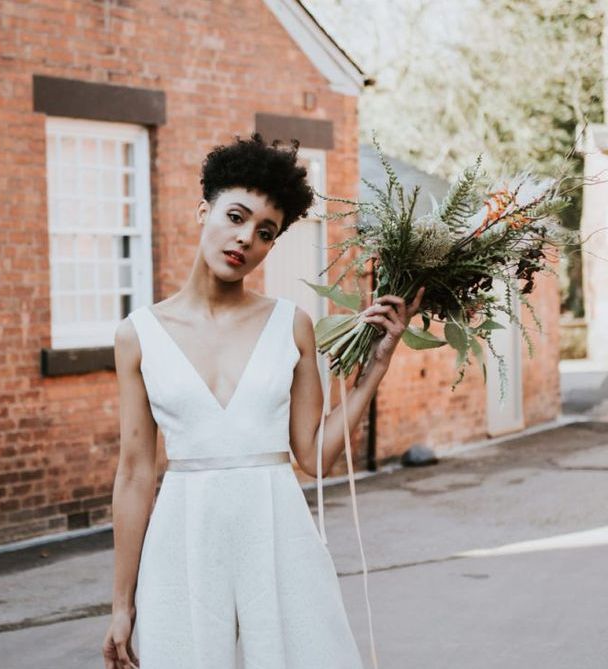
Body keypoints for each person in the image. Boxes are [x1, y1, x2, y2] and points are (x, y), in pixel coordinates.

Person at [102, 132, 425, 669]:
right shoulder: (137, 335)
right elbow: (135, 473)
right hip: (184, 539)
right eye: (235, 216)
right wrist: (121, 604)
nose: (245, 238)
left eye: (265, 232)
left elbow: (314, 456)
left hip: (277, 536)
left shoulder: (290, 325)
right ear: (203, 210)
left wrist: (375, 370)